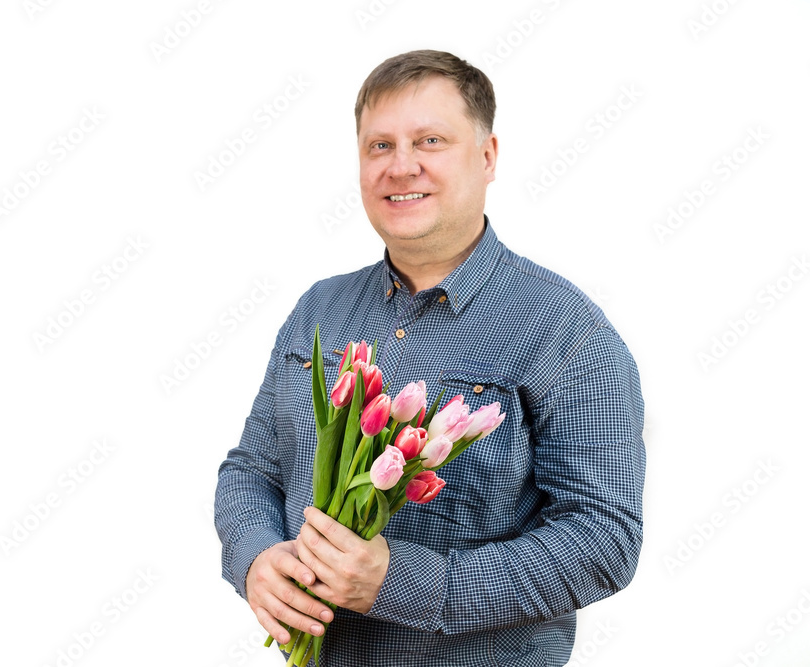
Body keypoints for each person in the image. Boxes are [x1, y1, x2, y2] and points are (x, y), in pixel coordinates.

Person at [214, 49, 645, 666]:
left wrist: (401, 584)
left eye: (430, 140)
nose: (401, 166)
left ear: (488, 156)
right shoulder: (319, 311)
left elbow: (604, 540)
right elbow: (251, 469)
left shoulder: (565, 330)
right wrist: (255, 556)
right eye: (379, 146)